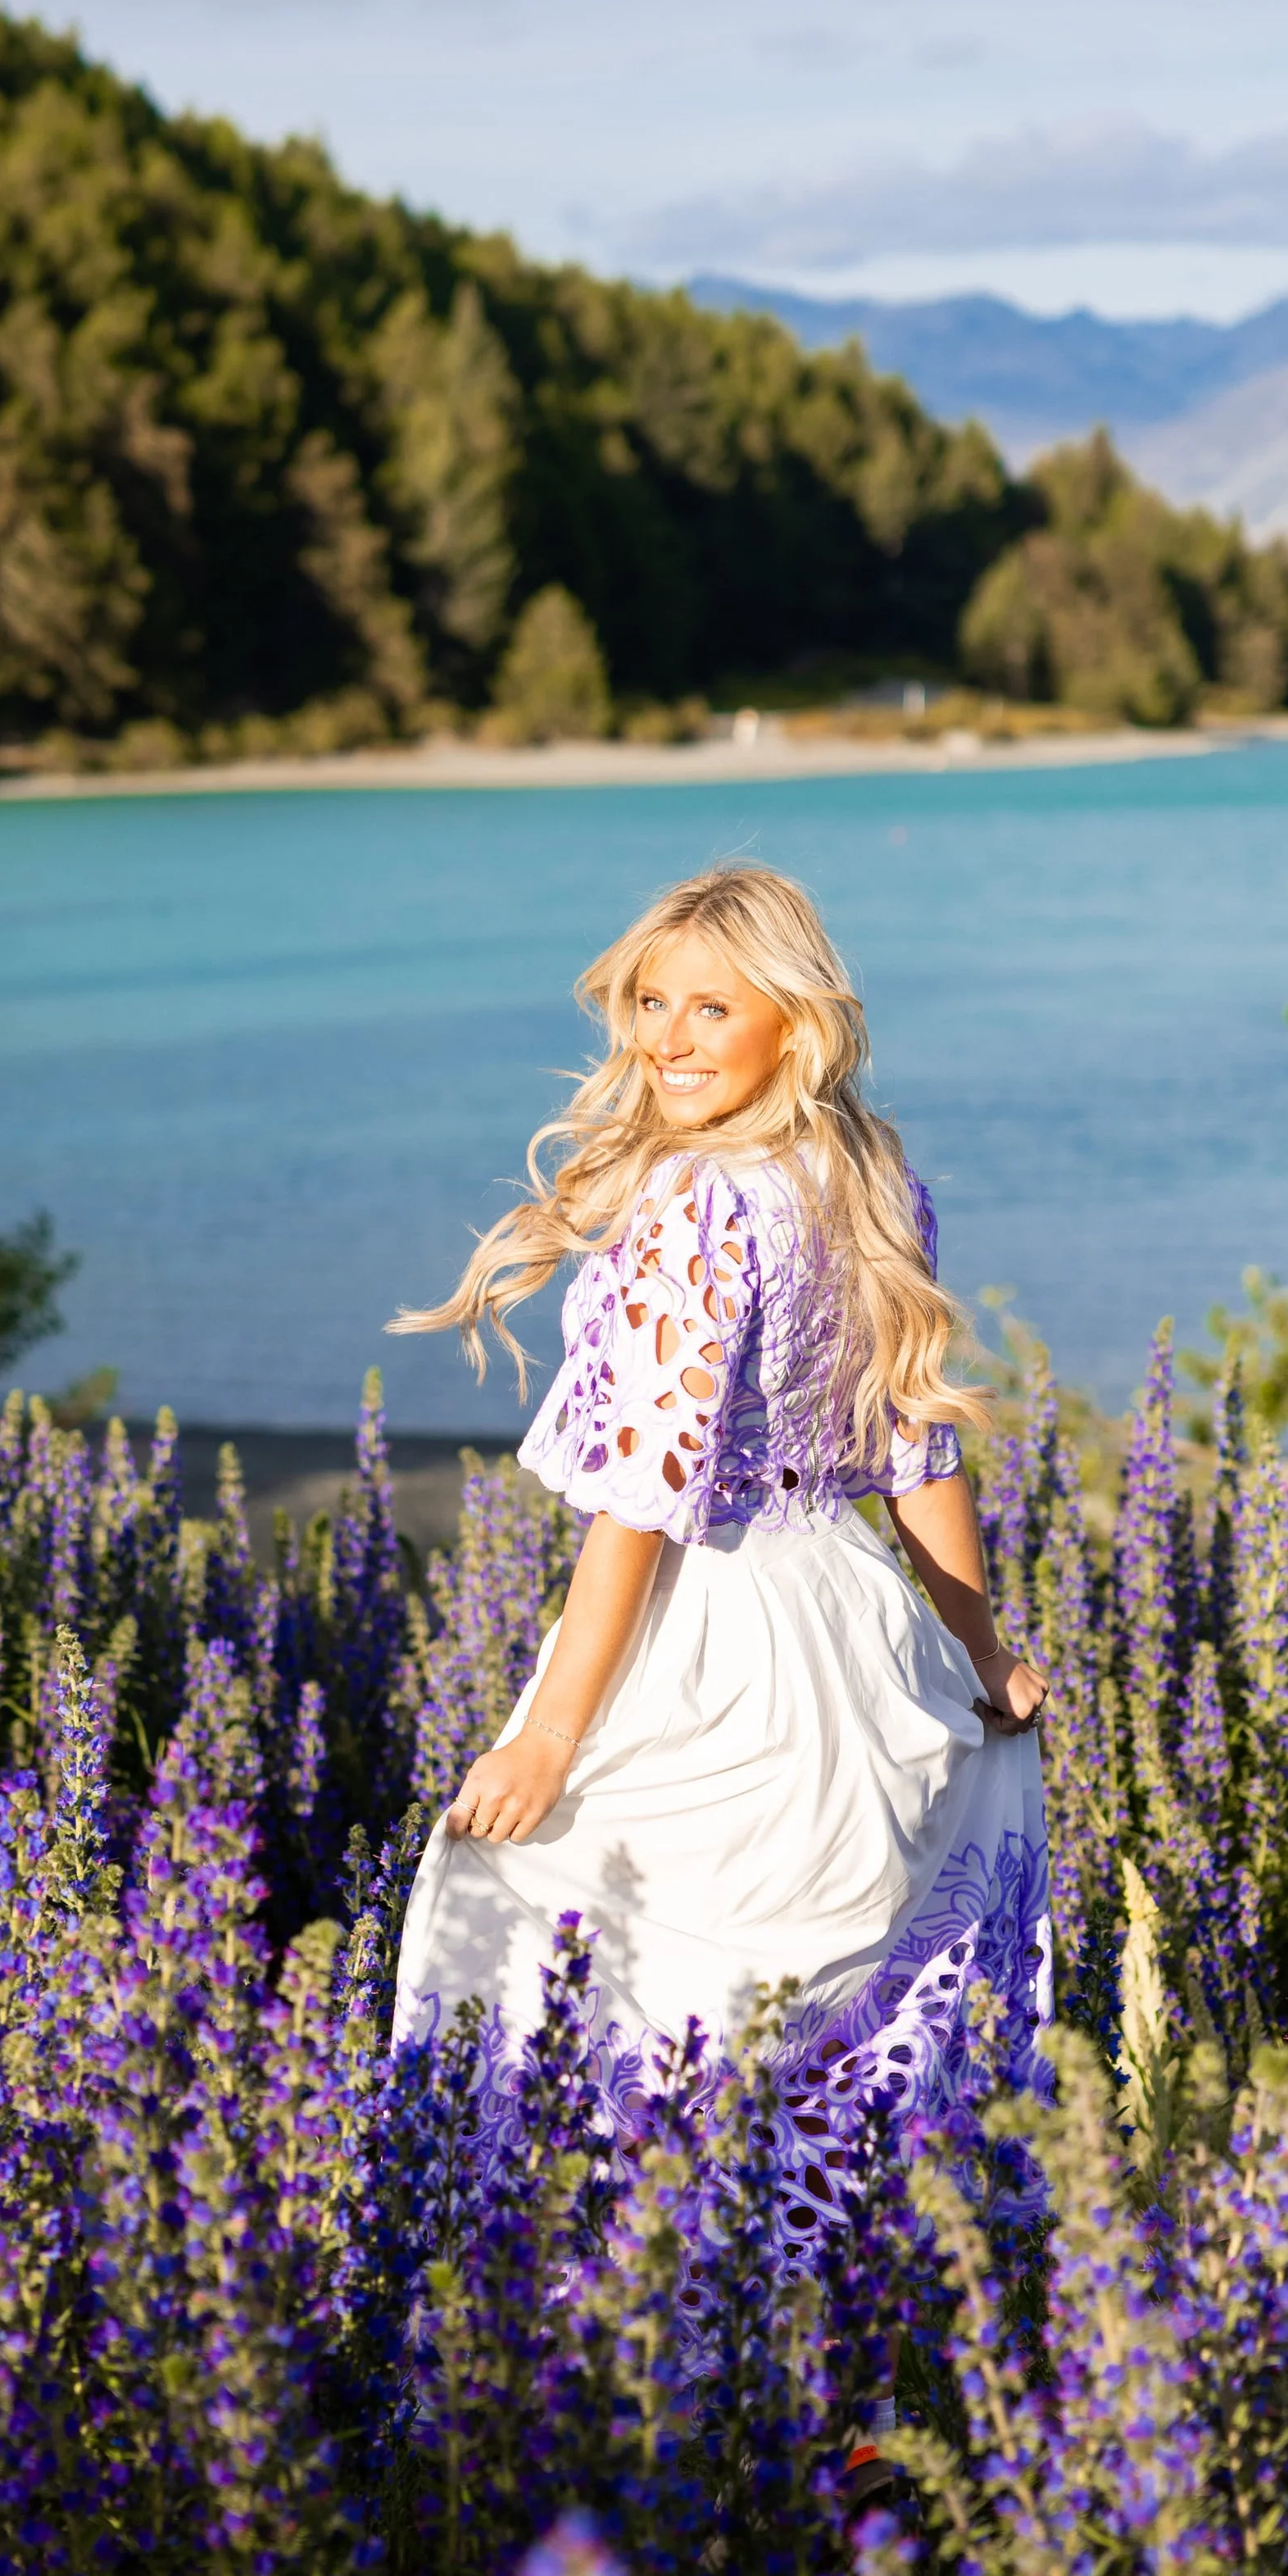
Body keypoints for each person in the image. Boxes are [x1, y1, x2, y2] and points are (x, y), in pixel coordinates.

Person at [389, 865, 1051, 2456]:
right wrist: (978, 1657)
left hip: (712, 1649)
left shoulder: (696, 1207)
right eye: (648, 1002)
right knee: (805, 2034)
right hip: (858, 1644)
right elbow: (915, 1446)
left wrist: (553, 1731)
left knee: (536, 1969)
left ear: (792, 1022)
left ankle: (568, 2425)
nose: (670, 1037)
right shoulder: (867, 1180)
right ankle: (813, 2395)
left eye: (710, 1005)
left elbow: (639, 1498)